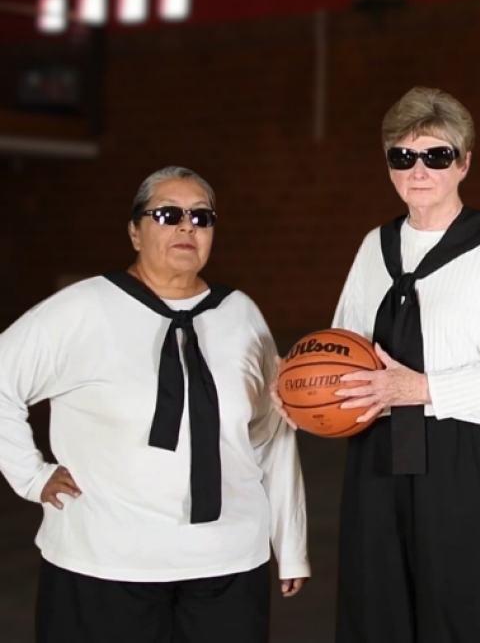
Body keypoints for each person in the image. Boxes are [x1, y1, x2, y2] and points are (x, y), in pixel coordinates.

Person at [0, 166, 309, 643]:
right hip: (103, 563)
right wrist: (31, 475)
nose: (187, 227)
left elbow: (271, 435)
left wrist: (290, 546)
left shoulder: (241, 314)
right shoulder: (84, 308)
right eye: (168, 214)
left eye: (201, 217)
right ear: (134, 232)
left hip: (227, 564)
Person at [327, 86, 480, 643]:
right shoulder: (374, 246)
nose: (419, 170)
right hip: (375, 453)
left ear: (464, 163)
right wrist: (307, 392)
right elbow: (341, 350)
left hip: (464, 458)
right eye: (403, 157)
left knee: (463, 614)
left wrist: (424, 388)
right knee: (376, 610)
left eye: (437, 155)